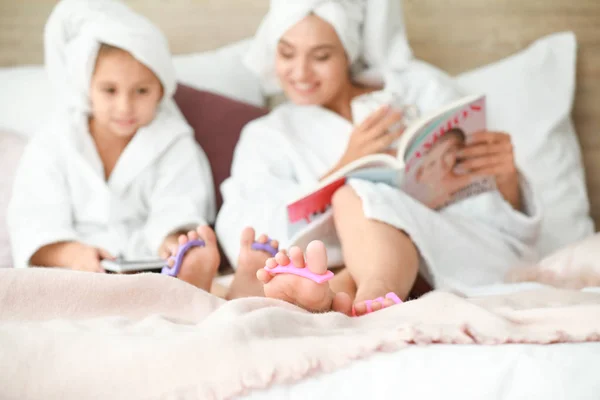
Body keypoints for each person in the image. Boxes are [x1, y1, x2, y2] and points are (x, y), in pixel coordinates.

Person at [215, 0, 542, 316]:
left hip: (454, 249)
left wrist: (507, 179)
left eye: (322, 56)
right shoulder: (267, 134)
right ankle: (351, 296)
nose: (300, 72)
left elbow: (493, 217)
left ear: (347, 53)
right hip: (341, 259)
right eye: (286, 53)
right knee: (348, 201)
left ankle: (365, 293)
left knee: (355, 195)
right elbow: (246, 229)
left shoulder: (418, 90)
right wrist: (343, 167)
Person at [7, 0, 223, 291]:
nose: (125, 106)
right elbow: (33, 220)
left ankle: (186, 280)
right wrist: (71, 253)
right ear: (87, 87)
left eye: (142, 91)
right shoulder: (54, 141)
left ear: (161, 90)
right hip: (72, 271)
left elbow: (178, 208)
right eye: (109, 90)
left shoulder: (174, 142)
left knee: (178, 270)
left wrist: (172, 245)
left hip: (150, 272)